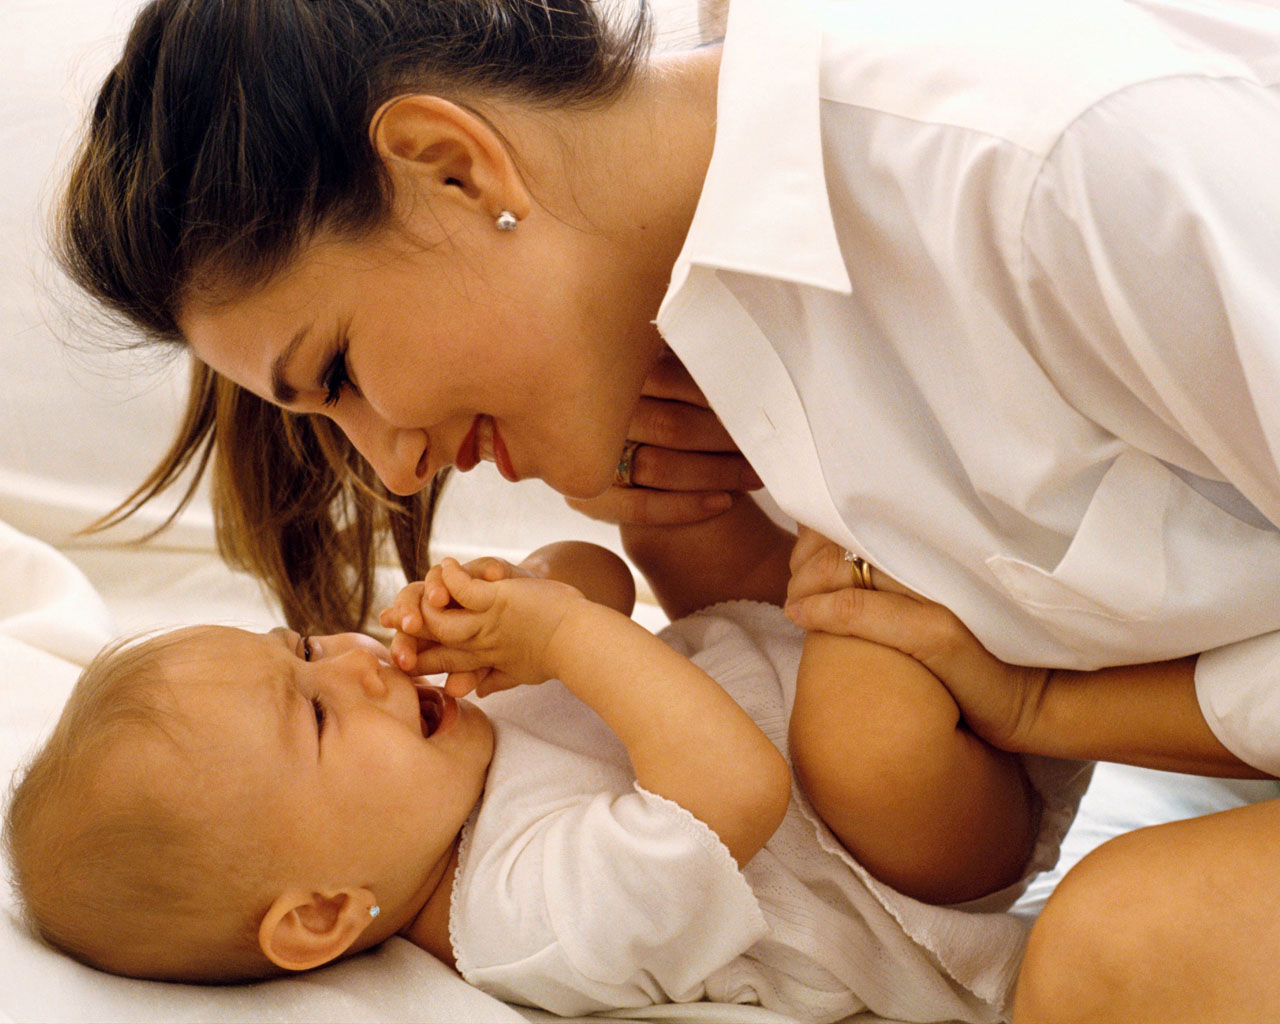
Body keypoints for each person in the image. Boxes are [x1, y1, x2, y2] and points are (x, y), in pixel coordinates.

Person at [51, 0, 1280, 1017]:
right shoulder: (704, 363)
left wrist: (1049, 705)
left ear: (449, 166)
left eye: (340, 376)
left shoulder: (1046, 173)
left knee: (1122, 951)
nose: (397, 471)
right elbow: (764, 669)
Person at [2, 508, 1088, 1023]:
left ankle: (961, 561)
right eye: (319, 720)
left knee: (666, 500)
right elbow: (732, 792)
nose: (356, 666)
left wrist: (516, 590)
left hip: (814, 669)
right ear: (326, 913)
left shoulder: (444, 758)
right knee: (865, 670)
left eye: (301, 649)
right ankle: (1043, 612)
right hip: (916, 852)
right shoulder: (523, 916)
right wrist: (557, 636)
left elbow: (600, 583)